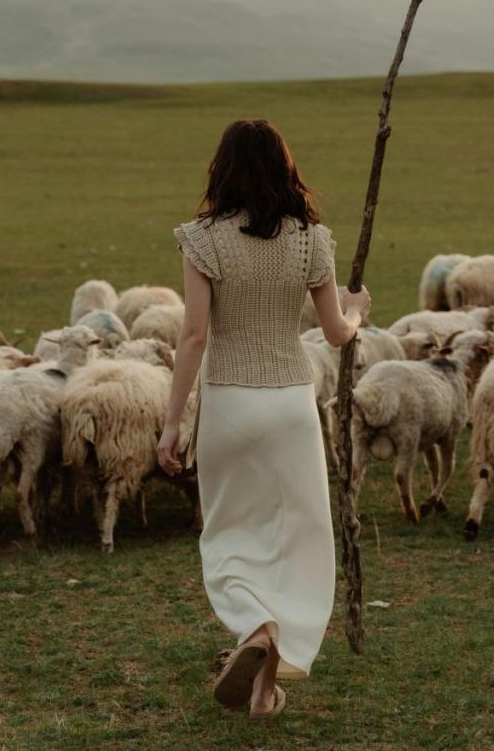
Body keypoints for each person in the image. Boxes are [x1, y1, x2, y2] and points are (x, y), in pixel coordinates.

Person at [156, 118, 372, 721]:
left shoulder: (202, 240)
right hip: (292, 403)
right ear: (285, 167)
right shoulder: (311, 240)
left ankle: (253, 631)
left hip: (230, 401)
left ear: (222, 169)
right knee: (296, 536)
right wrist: (356, 310)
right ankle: (264, 685)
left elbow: (194, 335)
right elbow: (335, 333)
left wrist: (172, 424)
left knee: (231, 530)